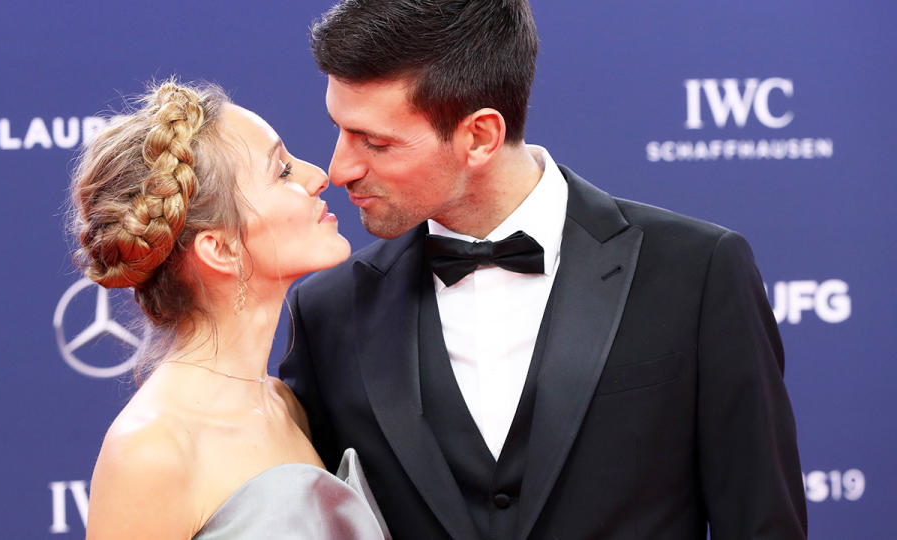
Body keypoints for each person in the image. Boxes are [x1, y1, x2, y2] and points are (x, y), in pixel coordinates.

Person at [279, 1, 808, 539]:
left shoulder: (697, 272)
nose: (340, 168)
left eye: (376, 142)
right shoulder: (328, 311)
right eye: (341, 131)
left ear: (480, 136)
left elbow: (762, 523)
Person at [73, 80, 389, 539]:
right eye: (282, 171)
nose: (319, 175)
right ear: (220, 248)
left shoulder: (285, 406)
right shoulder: (151, 451)